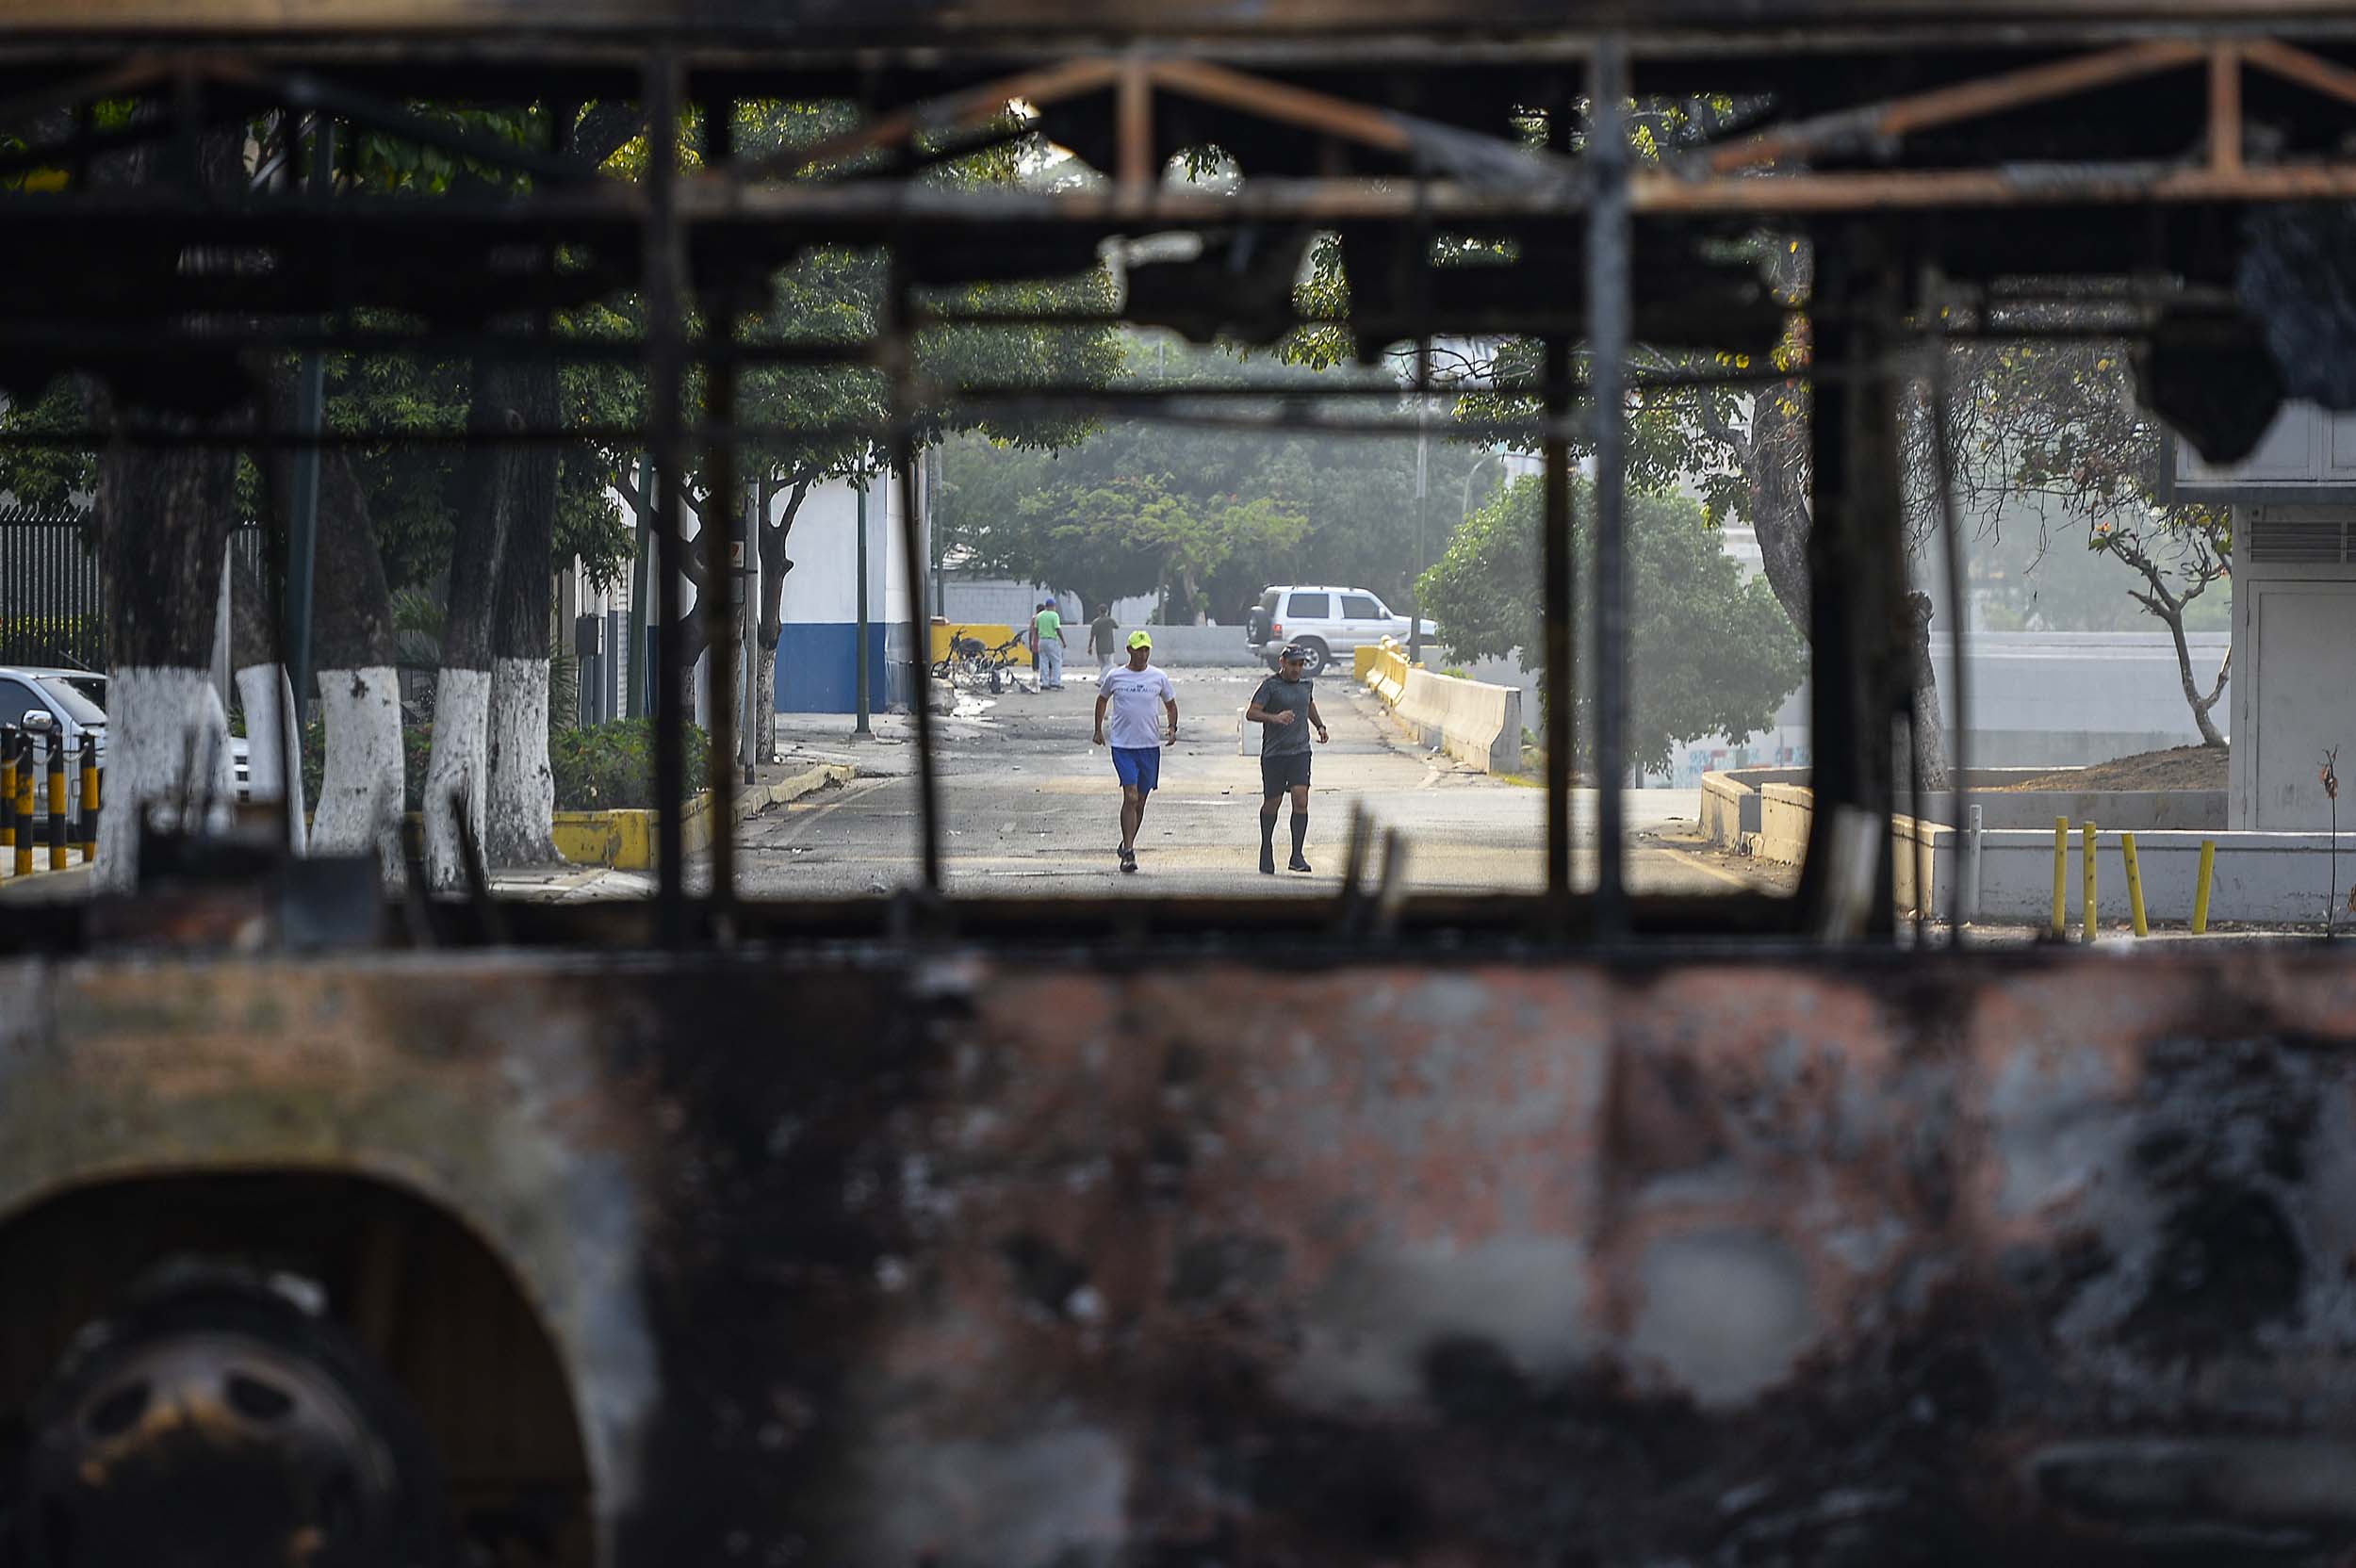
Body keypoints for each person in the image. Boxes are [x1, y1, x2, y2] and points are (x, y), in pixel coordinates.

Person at [1093, 629, 1177, 874]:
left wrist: (1172, 728)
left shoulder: (1158, 677)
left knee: (1140, 800)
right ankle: (1128, 851)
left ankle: (1126, 841)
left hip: (1149, 747)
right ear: (1128, 650)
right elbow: (1102, 700)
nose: (1142, 655)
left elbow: (1170, 704)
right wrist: (1098, 729)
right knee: (1130, 796)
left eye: (1146, 650)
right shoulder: (1115, 676)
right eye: (1138, 650)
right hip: (1123, 746)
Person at [1245, 642, 1328, 874]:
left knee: (1301, 798)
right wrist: (1275, 718)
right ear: (1282, 662)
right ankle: (1266, 848)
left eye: (1301, 664)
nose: (1297, 669)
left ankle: (1297, 855)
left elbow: (1308, 705)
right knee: (1273, 802)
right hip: (1274, 754)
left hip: (1300, 751)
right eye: (1293, 664)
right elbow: (1251, 713)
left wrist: (1320, 726)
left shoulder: (1306, 685)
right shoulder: (1270, 686)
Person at [1033, 597, 1068, 690]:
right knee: (1056, 661)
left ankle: (1045, 682)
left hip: (1041, 641)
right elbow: (1057, 629)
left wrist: (1035, 641)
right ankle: (1055, 682)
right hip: (1051, 640)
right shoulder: (1054, 615)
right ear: (1052, 606)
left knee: (1043, 662)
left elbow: (1035, 630)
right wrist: (1063, 641)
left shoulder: (1039, 616)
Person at [1088, 604, 1119, 676]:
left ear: (1099, 612)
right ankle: (1101, 679)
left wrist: (1090, 647)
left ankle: (1103, 680)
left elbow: (1092, 636)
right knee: (1110, 665)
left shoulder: (1095, 622)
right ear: (1107, 611)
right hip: (1109, 647)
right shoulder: (1110, 620)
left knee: (1103, 666)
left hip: (1099, 647)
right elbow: (1117, 626)